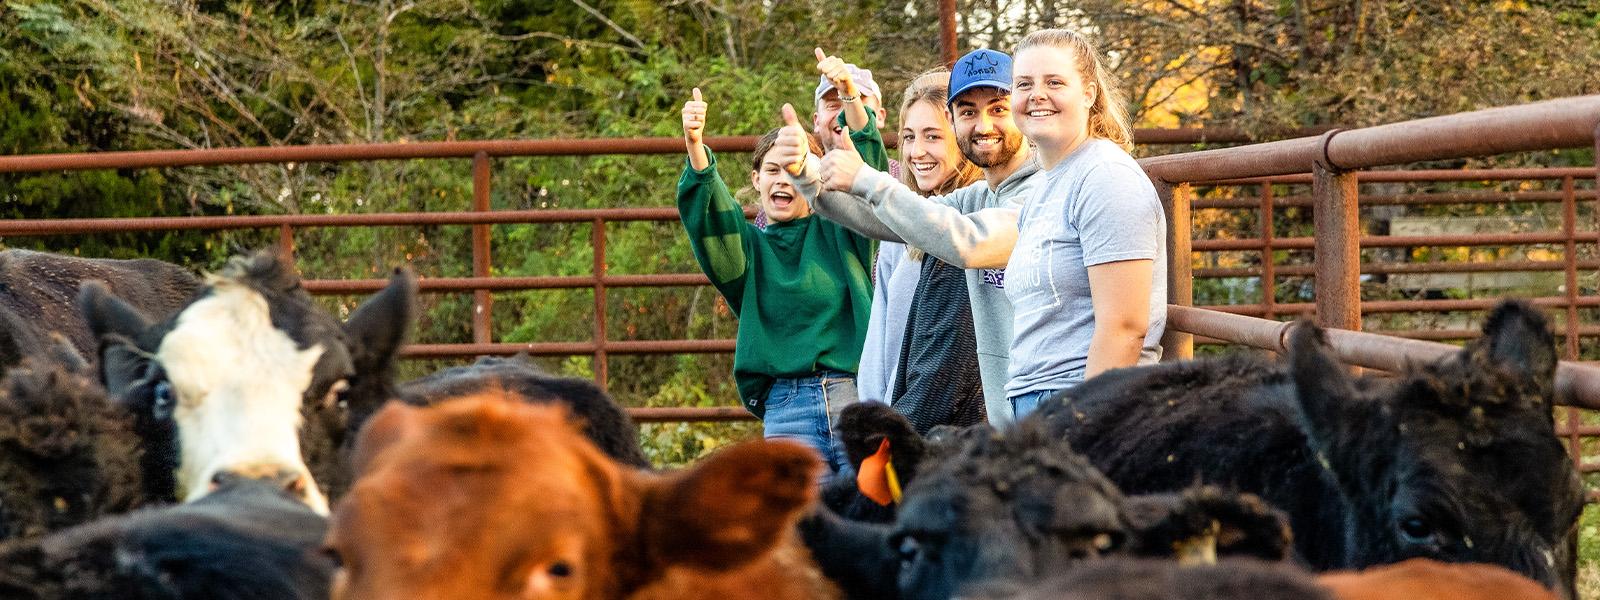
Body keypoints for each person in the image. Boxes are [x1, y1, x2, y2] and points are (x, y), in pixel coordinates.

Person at [774, 48, 1037, 425]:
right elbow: (890, 220)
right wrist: (806, 172)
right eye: (967, 111)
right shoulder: (975, 198)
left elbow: (968, 240)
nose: (982, 125)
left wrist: (867, 179)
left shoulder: (1041, 192)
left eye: (997, 108)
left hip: (1034, 424)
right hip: (992, 426)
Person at [675, 87, 874, 475]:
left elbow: (869, 187)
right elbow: (714, 215)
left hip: (857, 397)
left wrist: (852, 101)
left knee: (870, 516)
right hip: (788, 409)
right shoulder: (746, 252)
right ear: (756, 178)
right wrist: (696, 146)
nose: (783, 179)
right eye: (772, 169)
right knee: (801, 526)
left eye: (793, 168)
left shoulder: (843, 231)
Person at [998, 28, 1166, 418]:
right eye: (1024, 84)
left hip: (1078, 400)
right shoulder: (1045, 185)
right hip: (1035, 400)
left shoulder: (1106, 178)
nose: (1037, 94)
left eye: (1054, 82)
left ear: (1088, 93)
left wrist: (1087, 426)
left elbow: (1124, 326)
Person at [878, 69, 988, 434]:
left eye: (932, 137)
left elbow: (949, 364)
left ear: (960, 137)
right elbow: (884, 333)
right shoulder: (907, 227)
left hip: (941, 429)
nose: (916, 151)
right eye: (908, 137)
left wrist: (890, 436)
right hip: (902, 411)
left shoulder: (967, 230)